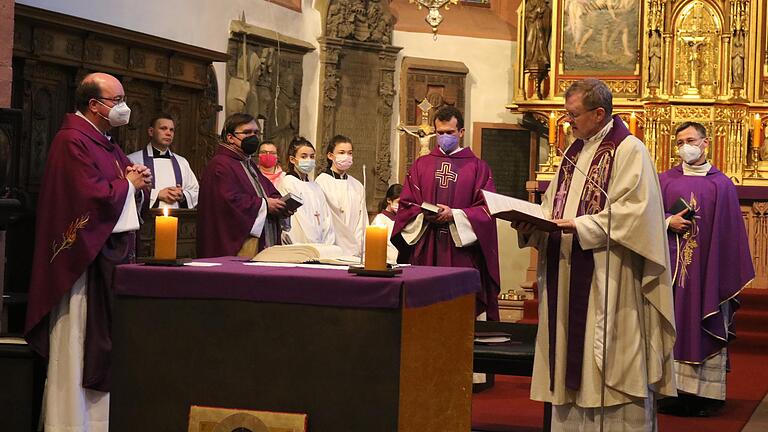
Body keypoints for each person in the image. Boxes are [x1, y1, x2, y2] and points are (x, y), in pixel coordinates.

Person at [512, 79, 677, 430]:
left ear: (599, 113)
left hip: (609, 277)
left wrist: (581, 226)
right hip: (568, 272)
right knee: (569, 357)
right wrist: (533, 227)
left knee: (609, 362)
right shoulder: (573, 153)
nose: (567, 123)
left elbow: (638, 213)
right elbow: (551, 205)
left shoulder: (629, 150)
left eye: (573, 115)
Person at [24, 72, 153, 432]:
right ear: (94, 105)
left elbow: (117, 187)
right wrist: (126, 185)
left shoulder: (105, 142)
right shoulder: (72, 142)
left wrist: (137, 184)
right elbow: (87, 198)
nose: (123, 107)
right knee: (77, 347)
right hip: (81, 269)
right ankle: (70, 424)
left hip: (104, 262)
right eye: (118, 100)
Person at [658, 122, 754, 417]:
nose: (684, 146)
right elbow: (644, 215)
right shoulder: (663, 181)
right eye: (679, 142)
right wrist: (666, 221)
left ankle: (706, 396)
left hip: (707, 274)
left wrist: (717, 271)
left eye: (690, 140)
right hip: (670, 272)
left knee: (703, 324)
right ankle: (670, 393)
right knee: (670, 328)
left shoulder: (721, 184)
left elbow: (729, 235)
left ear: (705, 143)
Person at [392, 106, 501, 319]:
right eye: (440, 133)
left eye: (449, 133)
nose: (444, 137)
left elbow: (488, 210)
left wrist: (456, 214)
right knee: (422, 313)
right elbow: (406, 204)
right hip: (426, 248)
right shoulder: (421, 165)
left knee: (457, 313)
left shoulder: (478, 167)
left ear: (461, 132)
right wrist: (425, 214)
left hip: (461, 251)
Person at [197, 113, 290, 258]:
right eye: (247, 132)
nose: (253, 137)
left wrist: (282, 205)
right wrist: (265, 205)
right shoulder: (220, 165)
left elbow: (268, 191)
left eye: (256, 133)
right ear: (230, 137)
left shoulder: (247, 163)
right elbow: (228, 202)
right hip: (232, 247)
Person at [127, 114, 199, 210]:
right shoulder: (133, 160)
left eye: (171, 130)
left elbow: (195, 191)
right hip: (146, 221)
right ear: (151, 132)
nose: (168, 133)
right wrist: (157, 195)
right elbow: (127, 191)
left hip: (178, 218)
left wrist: (182, 196)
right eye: (163, 128)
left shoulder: (182, 162)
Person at [277, 136, 335, 245]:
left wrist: (327, 244)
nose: (309, 160)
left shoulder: (316, 187)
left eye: (312, 156)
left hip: (321, 247)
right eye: (304, 156)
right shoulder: (288, 183)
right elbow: (297, 220)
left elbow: (327, 218)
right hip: (300, 245)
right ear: (292, 159)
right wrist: (311, 244)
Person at [315, 135, 367, 256]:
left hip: (354, 249)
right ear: (330, 156)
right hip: (331, 247)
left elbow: (362, 220)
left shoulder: (357, 185)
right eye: (341, 152)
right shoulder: (321, 182)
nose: (346, 157)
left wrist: (358, 246)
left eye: (350, 153)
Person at [371, 183, 402, 263]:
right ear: (389, 200)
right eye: (398, 202)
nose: (401, 206)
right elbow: (376, 246)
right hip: (386, 262)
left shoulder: (401, 219)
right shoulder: (380, 219)